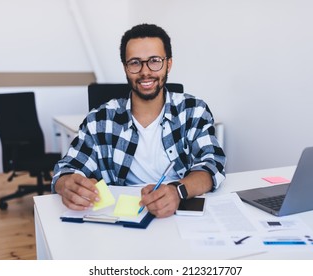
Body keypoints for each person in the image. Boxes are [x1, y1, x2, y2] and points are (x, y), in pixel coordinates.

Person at [51, 23, 226, 218]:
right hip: (122, 218)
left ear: (168, 64)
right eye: (135, 62)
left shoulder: (194, 110)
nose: (145, 72)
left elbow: (212, 164)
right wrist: (66, 184)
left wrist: (178, 191)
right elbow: (66, 169)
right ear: (125, 68)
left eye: (154, 61)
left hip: (179, 215)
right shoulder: (99, 119)